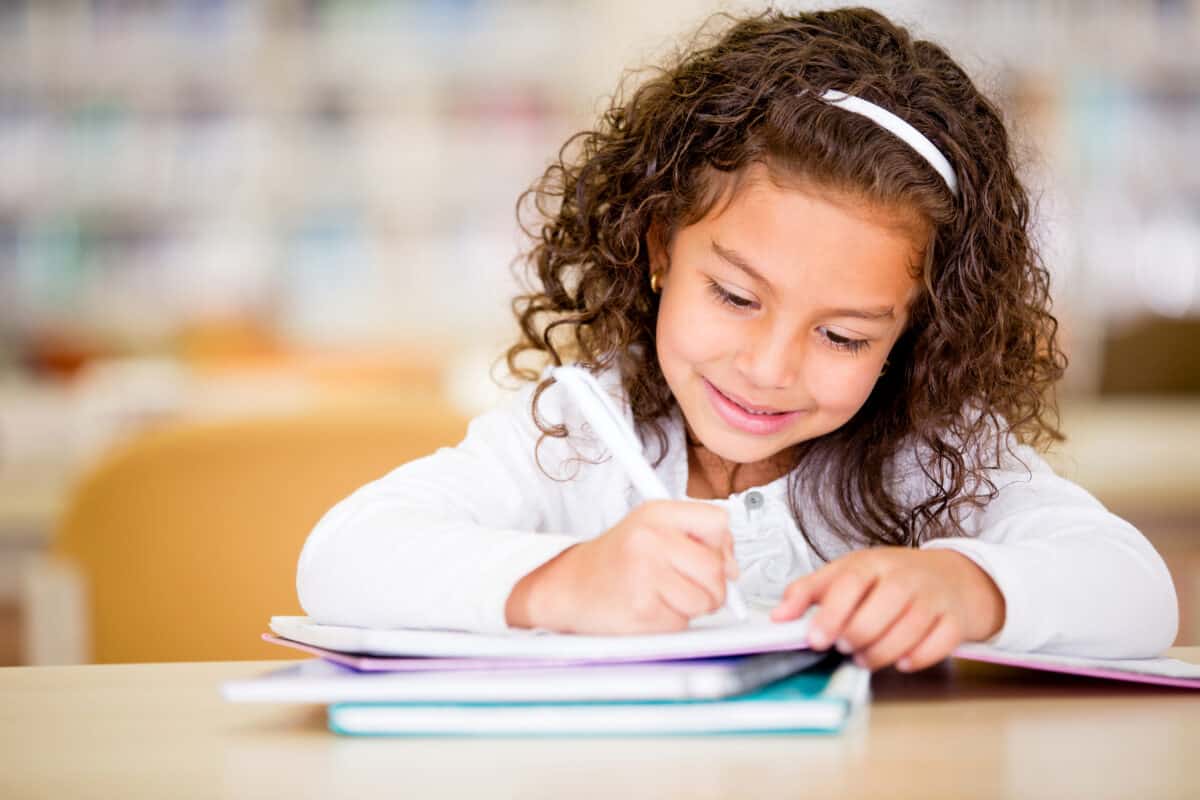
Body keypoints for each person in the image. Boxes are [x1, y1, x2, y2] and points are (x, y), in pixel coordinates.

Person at [296, 7, 1178, 671]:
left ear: (915, 333)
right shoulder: (574, 434)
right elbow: (341, 560)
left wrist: (969, 588)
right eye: (733, 295)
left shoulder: (934, 460)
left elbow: (1138, 592)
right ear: (657, 247)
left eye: (840, 335)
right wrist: (564, 581)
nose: (767, 368)